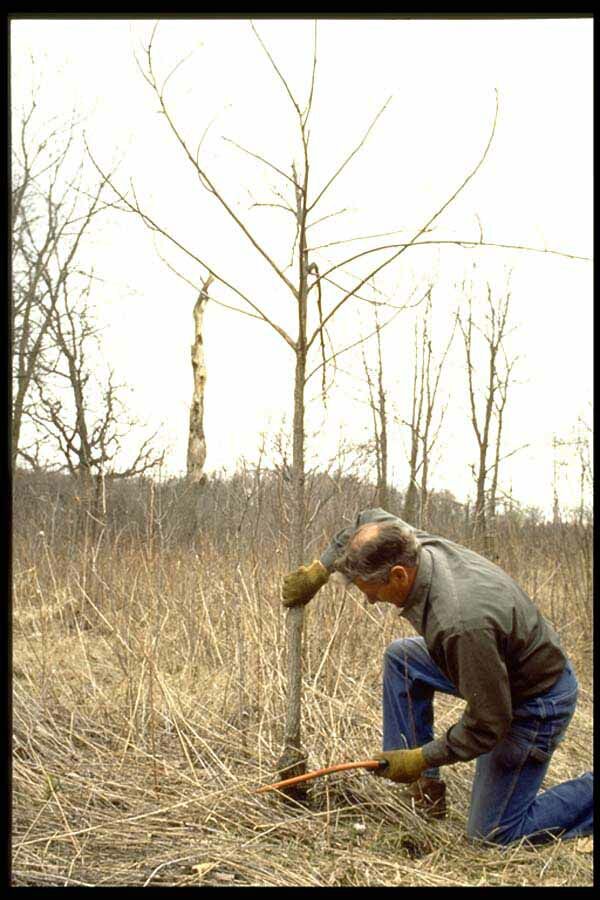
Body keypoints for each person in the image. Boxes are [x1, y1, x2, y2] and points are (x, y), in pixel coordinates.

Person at [281, 507, 593, 846]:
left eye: (369, 589)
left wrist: (420, 756)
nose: (369, 600)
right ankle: (425, 792)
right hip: (499, 664)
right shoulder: (404, 539)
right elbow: (362, 522)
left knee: (493, 835)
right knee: (403, 658)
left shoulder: (460, 624)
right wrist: (320, 571)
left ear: (399, 576)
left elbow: (489, 723)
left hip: (535, 700)